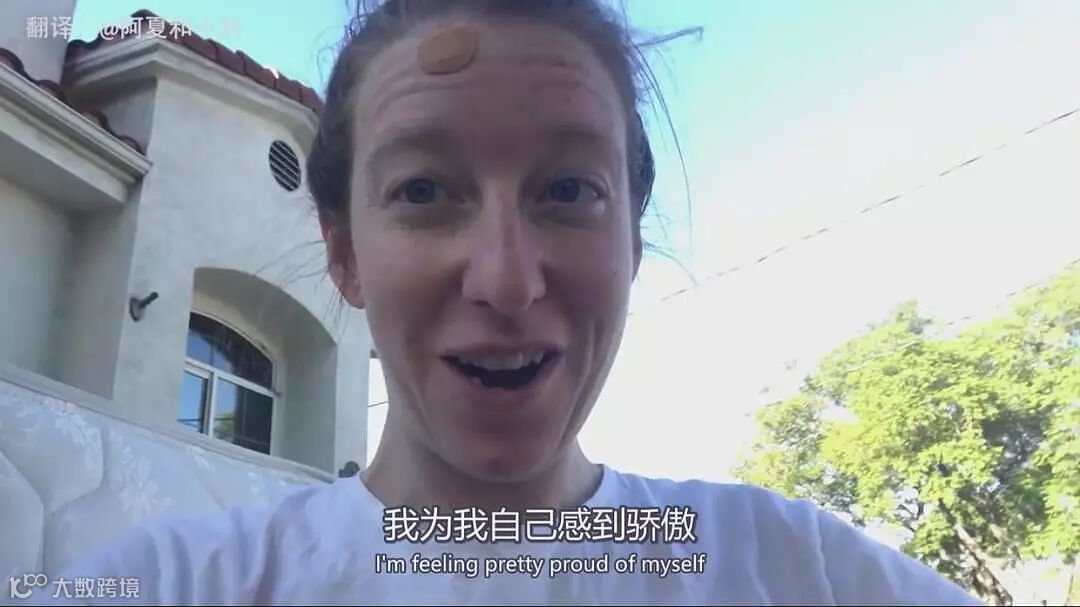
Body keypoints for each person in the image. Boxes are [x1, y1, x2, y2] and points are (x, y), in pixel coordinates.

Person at [55, 0, 982, 604]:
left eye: (569, 189)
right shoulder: (177, 585)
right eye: (424, 191)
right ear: (345, 253)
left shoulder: (793, 569)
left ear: (633, 244)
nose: (505, 280)